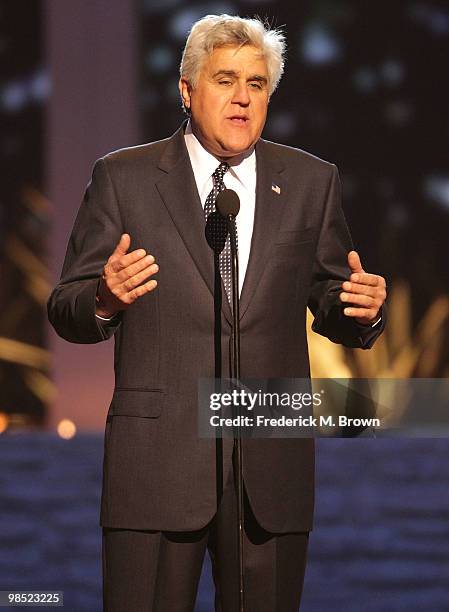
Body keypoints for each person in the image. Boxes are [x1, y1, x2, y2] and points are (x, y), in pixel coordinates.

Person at [48, 14, 387, 612]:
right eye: (225, 79)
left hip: (269, 472)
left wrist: (359, 310)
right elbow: (66, 306)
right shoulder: (124, 178)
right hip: (156, 466)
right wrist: (102, 298)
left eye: (256, 84)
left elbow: (331, 297)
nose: (241, 97)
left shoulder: (311, 181)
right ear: (186, 90)